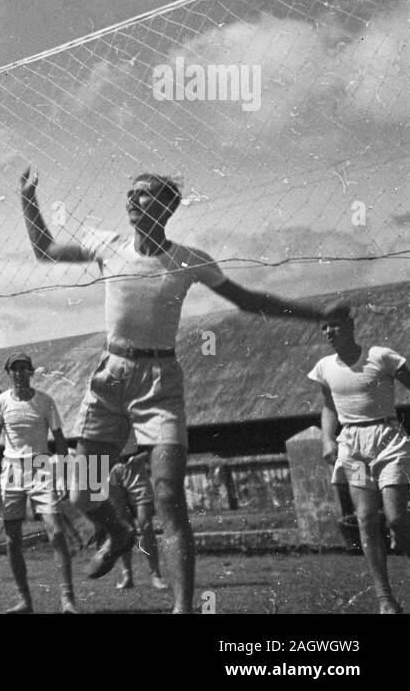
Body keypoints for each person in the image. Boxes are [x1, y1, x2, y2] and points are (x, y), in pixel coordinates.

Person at [20, 168, 323, 612]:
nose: (131, 201)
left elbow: (249, 301)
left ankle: (183, 608)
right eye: (129, 194)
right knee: (82, 493)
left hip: (159, 381)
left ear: (167, 206)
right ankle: (120, 533)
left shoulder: (190, 259)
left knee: (168, 498)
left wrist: (315, 314)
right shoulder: (108, 245)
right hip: (110, 378)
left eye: (143, 195)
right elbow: (45, 250)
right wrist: (27, 200)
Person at [309, 304, 410, 614]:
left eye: (335, 325)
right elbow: (329, 406)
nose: (329, 332)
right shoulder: (325, 367)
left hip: (387, 439)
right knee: (365, 520)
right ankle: (385, 600)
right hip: (351, 445)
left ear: (351, 326)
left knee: (396, 519)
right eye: (324, 327)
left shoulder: (381, 356)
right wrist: (328, 439)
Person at [0, 353, 77, 614]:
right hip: (11, 469)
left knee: (56, 532)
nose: (19, 373)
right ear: (9, 373)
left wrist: (61, 473)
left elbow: (59, 439)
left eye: (24, 368)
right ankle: (24, 600)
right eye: (14, 369)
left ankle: (67, 599)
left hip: (41, 467)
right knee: (13, 539)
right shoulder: (0, 403)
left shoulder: (45, 401)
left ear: (31, 372)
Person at [110, 438, 168, 591]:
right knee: (122, 527)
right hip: (110, 468)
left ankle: (156, 575)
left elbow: (154, 443)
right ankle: (127, 576)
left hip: (134, 467)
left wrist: (140, 457)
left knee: (145, 524)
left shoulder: (134, 414)